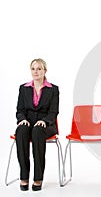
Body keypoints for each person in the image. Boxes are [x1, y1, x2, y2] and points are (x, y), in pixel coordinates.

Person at [15, 58, 59, 191]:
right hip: (28, 122)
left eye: (39, 69)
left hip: (46, 125)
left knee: (38, 131)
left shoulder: (53, 89)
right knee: (21, 130)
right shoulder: (24, 88)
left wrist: (44, 121)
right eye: (33, 69)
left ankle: (38, 177)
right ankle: (24, 176)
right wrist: (22, 119)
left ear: (45, 71)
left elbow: (53, 112)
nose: (36, 72)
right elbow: (20, 110)